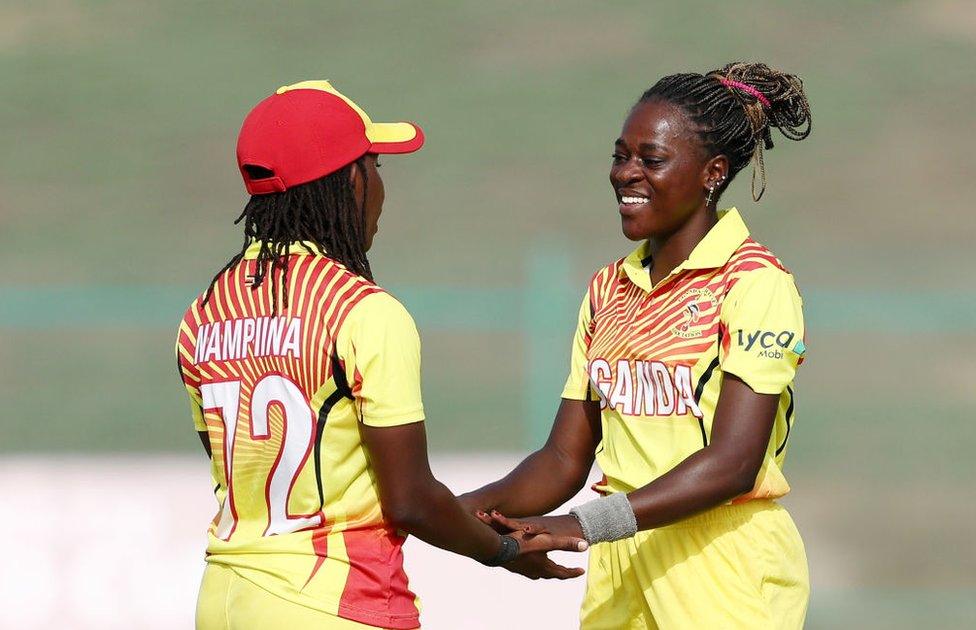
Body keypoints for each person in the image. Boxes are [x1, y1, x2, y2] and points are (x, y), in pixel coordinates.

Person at [175, 80, 587, 630]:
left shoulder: (204, 313)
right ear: (351, 178)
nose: (381, 185)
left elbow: (241, 474)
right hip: (336, 605)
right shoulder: (363, 312)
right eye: (376, 166)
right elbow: (410, 500)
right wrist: (504, 552)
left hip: (224, 602)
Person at [460, 62, 813, 629]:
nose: (626, 174)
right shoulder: (607, 288)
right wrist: (454, 513)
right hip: (622, 561)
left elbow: (734, 464)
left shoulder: (752, 282)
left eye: (651, 160)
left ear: (712, 173)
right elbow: (562, 460)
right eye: (620, 156)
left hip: (721, 561)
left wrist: (581, 525)